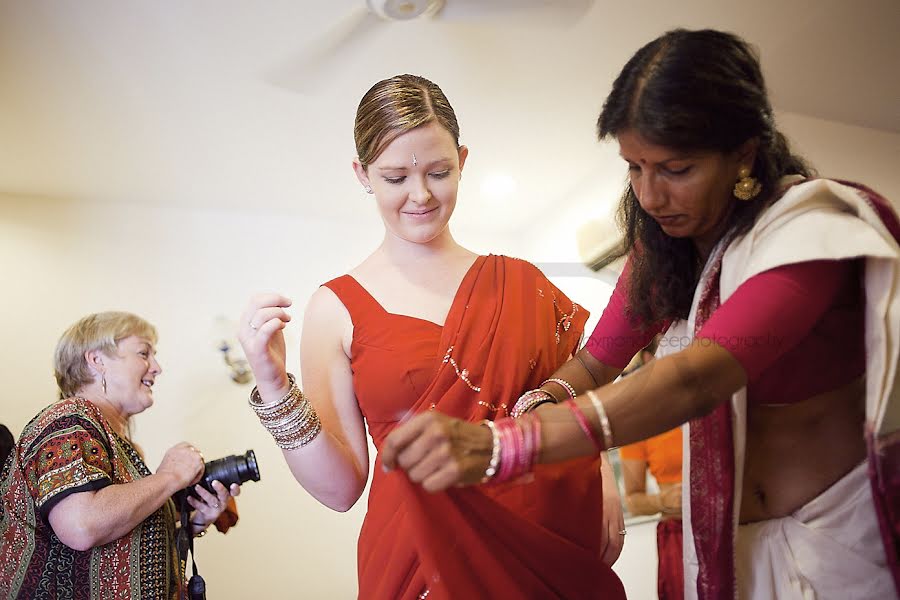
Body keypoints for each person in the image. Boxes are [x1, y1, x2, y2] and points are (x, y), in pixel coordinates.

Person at [380, 29, 900, 600]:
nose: (649, 196)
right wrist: (543, 397)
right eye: (634, 167)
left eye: (675, 169)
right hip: (732, 549)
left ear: (744, 155)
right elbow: (598, 361)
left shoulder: (809, 235)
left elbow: (695, 378)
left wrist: (504, 445)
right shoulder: (667, 251)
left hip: (841, 540)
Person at [239, 74, 626, 599]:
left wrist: (603, 479)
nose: (420, 195)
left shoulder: (523, 284)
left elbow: (570, 402)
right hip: (414, 563)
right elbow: (340, 488)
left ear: (463, 161)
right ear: (363, 174)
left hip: (538, 552)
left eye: (439, 172)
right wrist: (273, 385)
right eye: (395, 177)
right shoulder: (335, 308)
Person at [0, 311, 242, 599]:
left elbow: (126, 537)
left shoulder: (121, 446)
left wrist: (197, 520)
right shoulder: (69, 418)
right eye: (143, 353)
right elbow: (81, 525)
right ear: (96, 360)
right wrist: (171, 476)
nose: (157, 367)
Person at [618, 339, 685, 600]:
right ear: (648, 361)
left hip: (735, 523)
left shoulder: (715, 399)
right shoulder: (640, 424)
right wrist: (663, 500)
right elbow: (633, 501)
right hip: (678, 536)